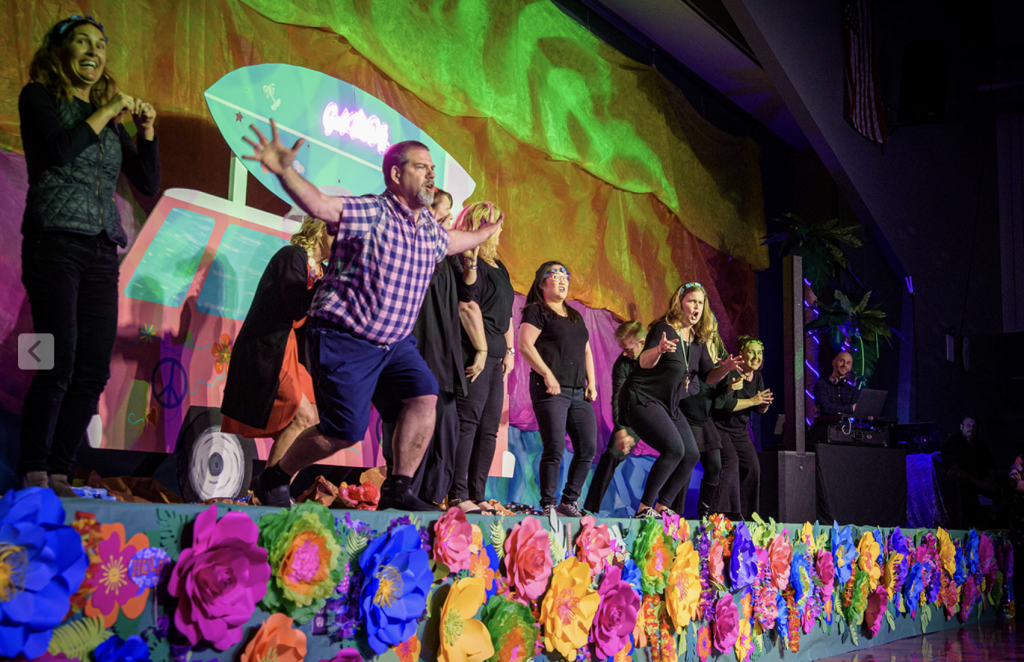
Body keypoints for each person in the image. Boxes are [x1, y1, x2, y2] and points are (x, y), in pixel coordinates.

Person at [243, 122, 501, 511]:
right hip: (345, 337)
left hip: (394, 344)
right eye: (421, 167)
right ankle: (275, 477)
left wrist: (484, 235)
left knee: (424, 394)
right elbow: (320, 205)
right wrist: (284, 171)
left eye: (433, 169)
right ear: (396, 174)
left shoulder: (428, 229)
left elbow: (452, 243)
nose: (431, 175)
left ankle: (399, 489)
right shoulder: (372, 212)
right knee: (343, 431)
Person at [18, 14, 160, 496]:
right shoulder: (38, 97)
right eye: (82, 43)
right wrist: (106, 111)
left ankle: (60, 469)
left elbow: (147, 183)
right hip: (52, 244)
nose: (93, 52)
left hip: (101, 250)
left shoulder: (109, 119)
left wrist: (144, 132)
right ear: (59, 52)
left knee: (93, 368)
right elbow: (59, 150)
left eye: (100, 45)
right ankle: (32, 466)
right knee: (55, 363)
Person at [379, 190, 484, 508]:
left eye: (451, 213)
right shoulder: (410, 241)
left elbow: (466, 293)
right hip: (416, 342)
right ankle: (402, 491)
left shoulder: (448, 254)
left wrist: (471, 261)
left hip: (445, 348)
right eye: (445, 211)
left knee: (447, 428)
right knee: (413, 418)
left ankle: (431, 498)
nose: (450, 218)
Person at [219, 218, 329, 481]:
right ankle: (271, 488)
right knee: (304, 415)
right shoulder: (292, 256)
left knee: (309, 419)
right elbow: (296, 308)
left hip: (290, 351)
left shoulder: (322, 271)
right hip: (268, 348)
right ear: (321, 230)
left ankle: (275, 490)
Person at [621, 283, 742, 518]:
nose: (696, 307)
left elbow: (708, 376)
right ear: (680, 303)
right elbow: (642, 362)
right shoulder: (664, 329)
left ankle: (663, 507)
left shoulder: (697, 342)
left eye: (700, 303)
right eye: (691, 301)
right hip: (642, 397)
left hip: (669, 405)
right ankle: (644, 508)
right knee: (674, 449)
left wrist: (725, 368)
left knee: (691, 454)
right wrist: (658, 350)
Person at [518, 261, 597, 517]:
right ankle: (549, 504)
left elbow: (586, 349)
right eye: (556, 275)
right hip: (551, 390)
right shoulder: (537, 311)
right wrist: (547, 374)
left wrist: (592, 382)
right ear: (542, 283)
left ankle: (569, 501)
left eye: (567, 276)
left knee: (587, 447)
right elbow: (525, 345)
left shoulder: (575, 316)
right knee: (554, 448)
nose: (563, 280)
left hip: (577, 391)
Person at [450, 202, 515, 513]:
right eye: (497, 225)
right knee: (468, 422)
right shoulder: (470, 262)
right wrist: (483, 348)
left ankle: (477, 494)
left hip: (497, 357)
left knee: (489, 428)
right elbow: (468, 304)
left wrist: (510, 351)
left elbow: (508, 316)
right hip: (476, 350)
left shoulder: (500, 266)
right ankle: (457, 493)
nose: (501, 231)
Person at [583, 320, 646, 514]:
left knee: (681, 453)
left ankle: (660, 508)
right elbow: (618, 397)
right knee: (611, 455)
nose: (624, 353)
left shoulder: (660, 356)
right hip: (635, 414)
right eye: (622, 349)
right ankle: (590, 508)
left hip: (661, 412)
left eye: (628, 349)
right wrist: (621, 430)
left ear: (642, 343)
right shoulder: (622, 364)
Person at [669, 311, 727, 519]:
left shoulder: (718, 350)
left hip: (704, 415)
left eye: (712, 324)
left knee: (715, 465)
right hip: (686, 411)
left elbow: (718, 389)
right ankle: (673, 513)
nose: (709, 327)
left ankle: (706, 512)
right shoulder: (691, 345)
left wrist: (728, 386)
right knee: (686, 462)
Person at [712, 335, 772, 519]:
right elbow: (726, 405)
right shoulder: (732, 374)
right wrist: (753, 400)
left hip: (739, 431)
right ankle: (721, 515)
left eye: (759, 353)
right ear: (741, 355)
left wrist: (763, 404)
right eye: (751, 352)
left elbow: (758, 409)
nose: (756, 356)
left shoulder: (757, 377)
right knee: (731, 463)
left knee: (753, 467)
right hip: (720, 428)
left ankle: (748, 516)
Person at [941, 416, 1000, 528]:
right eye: (968, 425)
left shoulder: (981, 445)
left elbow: (990, 465)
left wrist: (990, 480)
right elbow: (956, 471)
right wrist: (980, 484)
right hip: (960, 487)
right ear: (961, 426)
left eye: (974, 426)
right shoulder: (953, 443)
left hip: (980, 483)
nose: (971, 428)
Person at [812, 351, 859, 416]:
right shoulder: (821, 386)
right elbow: (825, 408)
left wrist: (832, 408)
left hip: (848, 426)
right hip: (826, 426)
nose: (844, 365)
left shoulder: (854, 391)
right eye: (842, 361)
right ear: (833, 362)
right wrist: (850, 408)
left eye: (848, 363)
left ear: (850, 368)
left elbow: (856, 411)